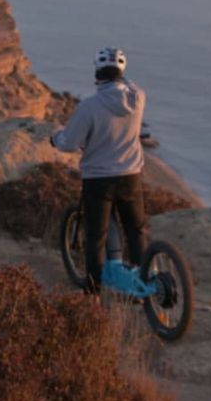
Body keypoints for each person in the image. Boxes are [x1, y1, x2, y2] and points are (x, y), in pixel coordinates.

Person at [50, 46, 148, 295]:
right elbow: (129, 85)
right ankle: (140, 283)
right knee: (135, 230)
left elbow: (70, 143)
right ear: (122, 71)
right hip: (131, 176)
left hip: (99, 180)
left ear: (97, 72)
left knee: (95, 237)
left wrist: (56, 138)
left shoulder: (89, 106)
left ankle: (93, 293)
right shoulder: (138, 98)